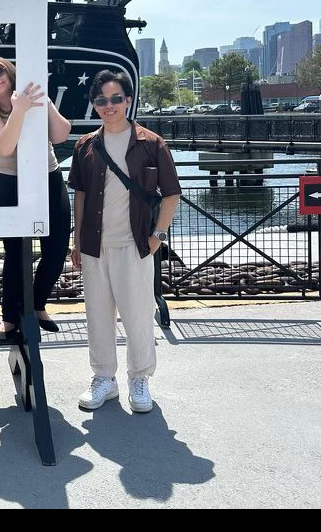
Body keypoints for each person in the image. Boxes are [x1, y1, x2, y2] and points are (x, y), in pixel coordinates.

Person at [68, 70, 181, 412]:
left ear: (128, 100)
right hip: (95, 246)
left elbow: (172, 194)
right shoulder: (86, 145)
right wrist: (76, 238)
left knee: (138, 316)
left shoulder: (151, 143)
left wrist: (157, 237)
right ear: (95, 105)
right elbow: (81, 196)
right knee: (97, 315)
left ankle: (140, 378)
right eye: (101, 100)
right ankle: (104, 377)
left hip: (135, 244)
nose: (109, 105)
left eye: (116, 98)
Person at [0, 56, 71, 336]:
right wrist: (19, 110)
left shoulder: (34, 96)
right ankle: (9, 317)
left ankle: (37, 304)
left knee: (57, 247)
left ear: (10, 71)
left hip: (47, 176)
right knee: (15, 252)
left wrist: (43, 102)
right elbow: (3, 146)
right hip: (10, 181)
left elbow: (62, 134)